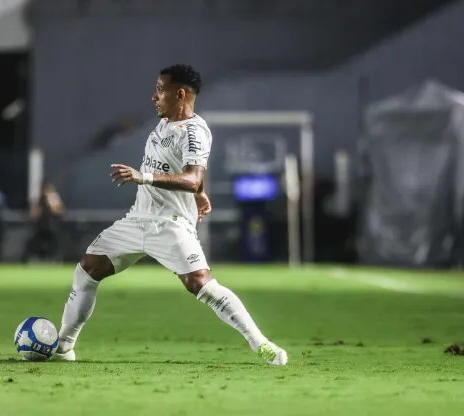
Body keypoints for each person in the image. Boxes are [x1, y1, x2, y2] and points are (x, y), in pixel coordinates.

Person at [52, 64, 288, 365]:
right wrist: (200, 194)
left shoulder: (195, 131)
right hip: (137, 218)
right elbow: (188, 176)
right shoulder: (163, 125)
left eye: (160, 90)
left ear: (179, 94)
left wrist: (145, 178)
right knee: (87, 269)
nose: (154, 96)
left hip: (169, 224)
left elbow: (191, 176)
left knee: (201, 285)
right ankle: (63, 347)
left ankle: (262, 344)